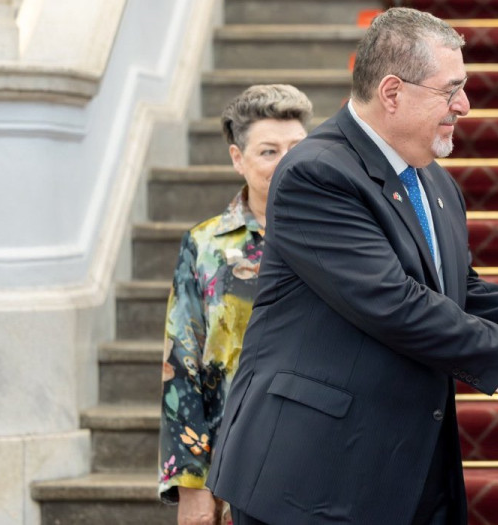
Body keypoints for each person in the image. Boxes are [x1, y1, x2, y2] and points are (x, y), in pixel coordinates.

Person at [205, 8, 498, 525]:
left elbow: (461, 294)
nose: (464, 105)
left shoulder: (434, 182)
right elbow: (393, 303)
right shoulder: (317, 171)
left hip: (404, 469)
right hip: (309, 476)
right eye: (451, 89)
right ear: (393, 92)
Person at [158, 84, 313, 525]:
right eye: (268, 151)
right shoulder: (204, 245)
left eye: (297, 148)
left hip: (326, 454)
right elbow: (182, 365)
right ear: (236, 158)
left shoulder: (340, 234)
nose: (286, 162)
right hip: (236, 462)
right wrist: (191, 484)